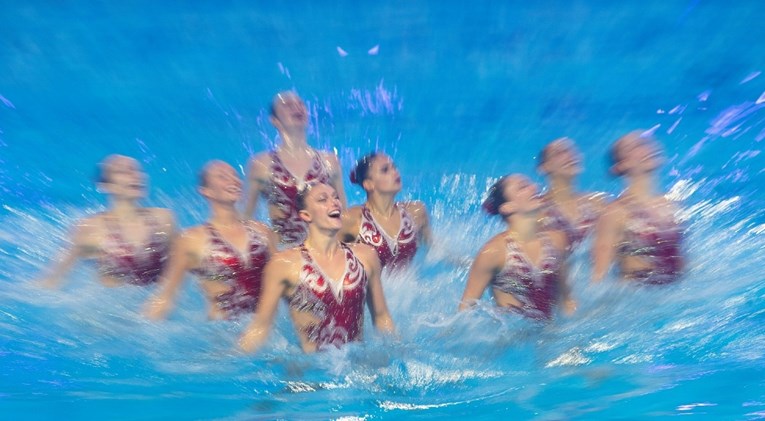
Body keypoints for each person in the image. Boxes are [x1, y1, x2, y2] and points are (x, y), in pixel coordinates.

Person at [239, 182, 395, 353]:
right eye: (323, 199)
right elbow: (261, 327)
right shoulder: (283, 265)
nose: (334, 202)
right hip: (312, 373)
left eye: (336, 197)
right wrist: (234, 361)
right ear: (306, 215)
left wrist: (397, 352)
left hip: (357, 368)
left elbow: (381, 316)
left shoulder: (366, 256)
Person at [144, 160, 276, 320]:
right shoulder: (191, 240)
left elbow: (282, 282)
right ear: (206, 191)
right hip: (222, 333)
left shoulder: (262, 232)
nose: (233, 180)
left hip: (268, 331)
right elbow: (166, 296)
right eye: (222, 176)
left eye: (235, 175)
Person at [39, 154, 175, 288]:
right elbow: (53, 278)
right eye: (122, 171)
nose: (135, 175)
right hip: (113, 306)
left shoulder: (163, 219)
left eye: (137, 170)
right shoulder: (90, 229)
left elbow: (178, 267)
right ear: (106, 185)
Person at [458, 175, 574, 319]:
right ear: (507, 207)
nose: (535, 187)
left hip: (550, 334)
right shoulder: (493, 252)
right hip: (512, 339)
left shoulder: (557, 240)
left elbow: (567, 300)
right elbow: (464, 312)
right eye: (523, 187)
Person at [244, 91, 347, 246]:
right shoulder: (261, 164)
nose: (297, 108)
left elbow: (343, 215)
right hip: (284, 254)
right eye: (288, 105)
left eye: (300, 104)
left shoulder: (329, 161)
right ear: (274, 120)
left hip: (324, 252)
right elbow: (246, 219)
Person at [592, 130, 684, 285]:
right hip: (639, 296)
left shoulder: (671, 203)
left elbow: (680, 260)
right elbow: (599, 278)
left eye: (648, 142)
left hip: (675, 292)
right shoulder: (615, 213)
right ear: (621, 165)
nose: (648, 147)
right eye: (637, 146)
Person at [339, 152, 431, 271]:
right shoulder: (351, 219)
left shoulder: (416, 211)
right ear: (369, 184)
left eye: (394, 167)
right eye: (385, 170)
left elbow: (432, 251)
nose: (395, 172)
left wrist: (460, 263)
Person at [537, 137, 606, 248]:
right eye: (560, 152)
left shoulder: (598, 202)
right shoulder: (537, 210)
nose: (570, 155)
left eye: (572, 150)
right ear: (544, 167)